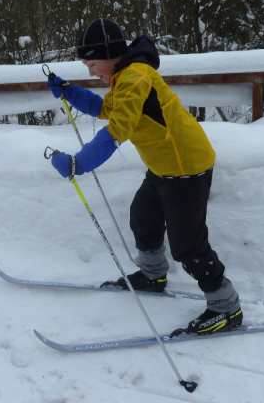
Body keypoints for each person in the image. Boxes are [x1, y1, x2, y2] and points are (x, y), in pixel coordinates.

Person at [46, 18, 242, 335]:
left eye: (92, 63)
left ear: (110, 54)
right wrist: (71, 93)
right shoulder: (125, 75)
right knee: (143, 218)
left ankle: (226, 307)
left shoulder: (135, 77)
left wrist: (78, 163)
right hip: (164, 165)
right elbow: (110, 109)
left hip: (185, 167)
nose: (91, 72)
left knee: (187, 246)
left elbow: (117, 127)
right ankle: (153, 276)